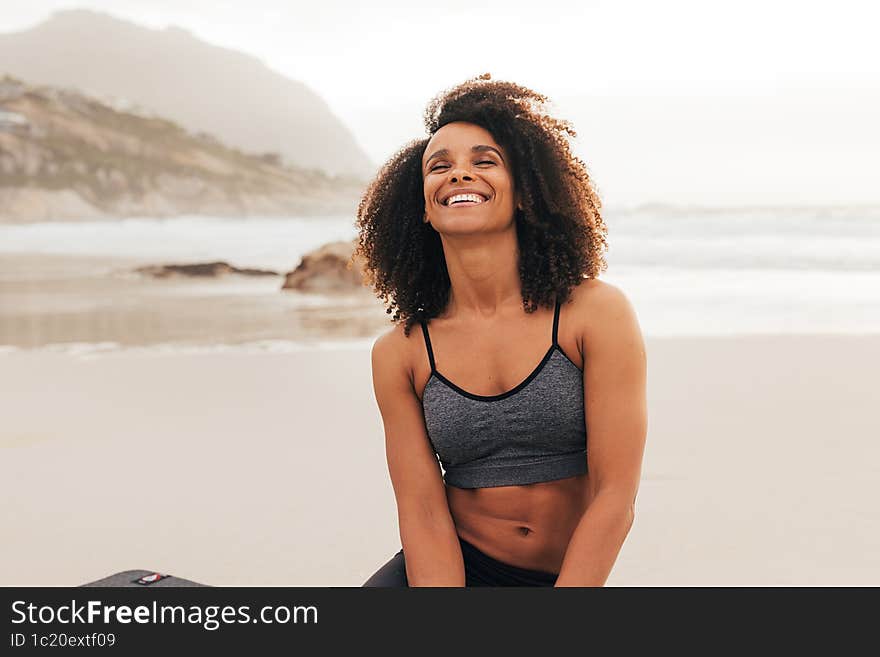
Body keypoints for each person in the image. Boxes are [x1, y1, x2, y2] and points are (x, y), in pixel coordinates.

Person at [353, 73, 647, 587]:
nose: (459, 175)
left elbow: (614, 494)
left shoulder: (594, 313)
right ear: (423, 205)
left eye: (484, 161)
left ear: (525, 192)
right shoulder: (400, 352)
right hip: (450, 569)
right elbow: (422, 510)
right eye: (439, 167)